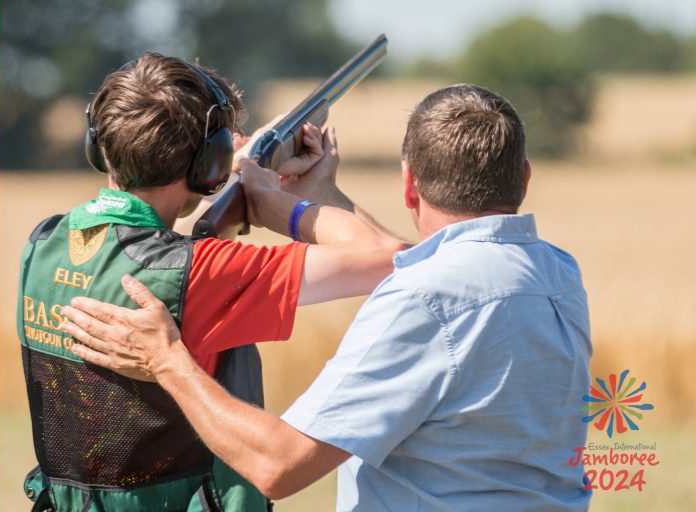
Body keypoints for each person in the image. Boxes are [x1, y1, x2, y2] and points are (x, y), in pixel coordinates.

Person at [62, 84, 593, 511]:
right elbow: (432, 265)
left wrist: (167, 360)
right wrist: (318, 200)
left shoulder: (425, 298)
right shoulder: (556, 272)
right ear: (523, 178)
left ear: (409, 185)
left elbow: (278, 467)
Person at [17, 52, 403, 512]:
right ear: (208, 164)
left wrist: (230, 179)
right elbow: (395, 260)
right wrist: (292, 197)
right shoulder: (202, 274)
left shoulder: (43, 244)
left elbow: (149, 257)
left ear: (99, 143)